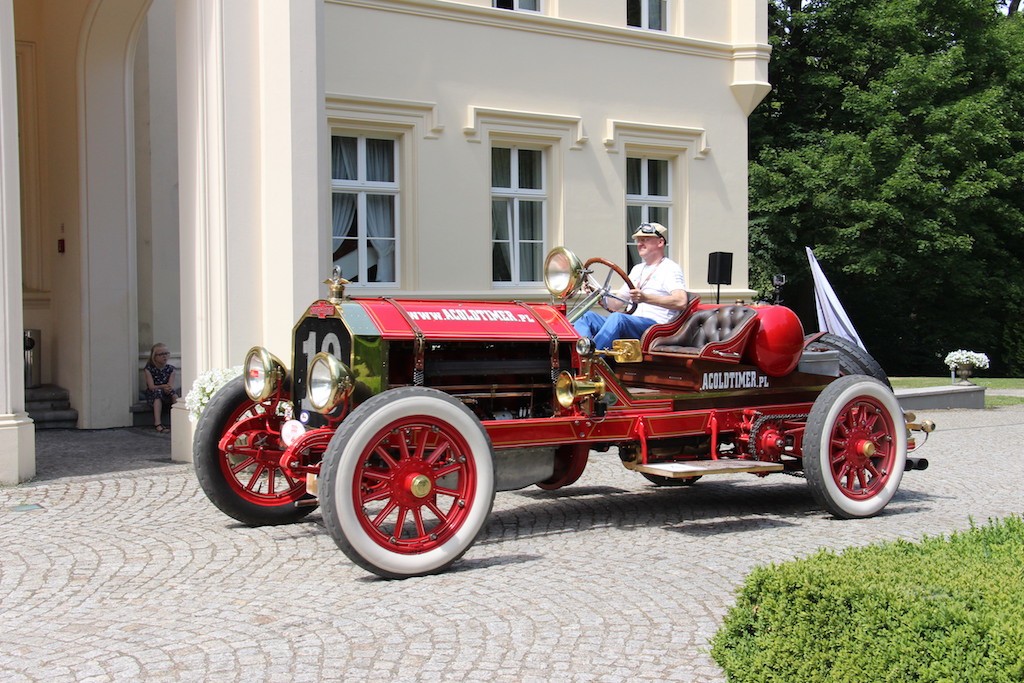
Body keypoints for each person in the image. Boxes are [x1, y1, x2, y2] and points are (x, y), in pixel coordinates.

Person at [574, 222, 690, 349]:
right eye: (638, 240)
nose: (639, 244)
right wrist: (597, 294)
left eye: (645, 240)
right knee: (587, 317)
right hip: (632, 322)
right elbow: (615, 304)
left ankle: (590, 358)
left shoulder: (670, 268)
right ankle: (581, 352)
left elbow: (681, 301)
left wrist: (646, 298)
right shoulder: (637, 269)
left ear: (660, 242)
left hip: (655, 327)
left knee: (618, 319)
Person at [144, 343, 177, 433]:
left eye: (166, 354)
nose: (164, 356)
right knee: (157, 392)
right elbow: (151, 387)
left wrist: (168, 388)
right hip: (153, 395)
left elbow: (170, 385)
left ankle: (178, 421)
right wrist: (163, 386)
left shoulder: (171, 369)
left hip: (166, 393)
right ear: (154, 356)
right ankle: (158, 423)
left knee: (174, 394)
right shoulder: (149, 369)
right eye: (161, 354)